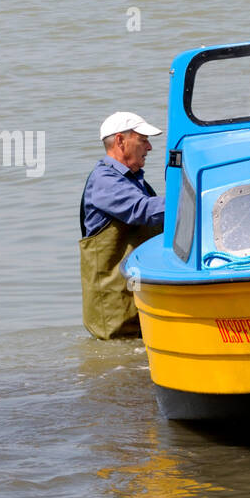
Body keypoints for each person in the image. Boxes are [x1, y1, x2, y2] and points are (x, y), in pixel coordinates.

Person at [79, 112, 166, 339]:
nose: (149, 147)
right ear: (120, 141)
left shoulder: (132, 180)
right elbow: (142, 210)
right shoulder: (105, 180)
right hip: (115, 311)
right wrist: (192, 200)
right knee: (120, 363)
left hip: (132, 297)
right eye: (143, 140)